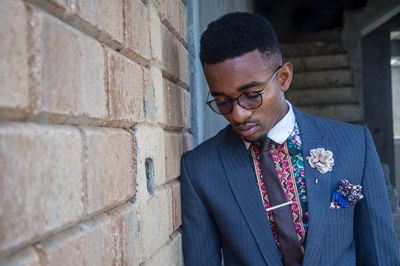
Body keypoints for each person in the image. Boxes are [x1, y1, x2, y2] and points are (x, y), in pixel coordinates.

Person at [180, 12, 400, 266]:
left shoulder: (354, 144)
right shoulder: (200, 169)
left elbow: (382, 257)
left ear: (283, 78)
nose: (239, 114)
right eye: (222, 102)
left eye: (251, 94)